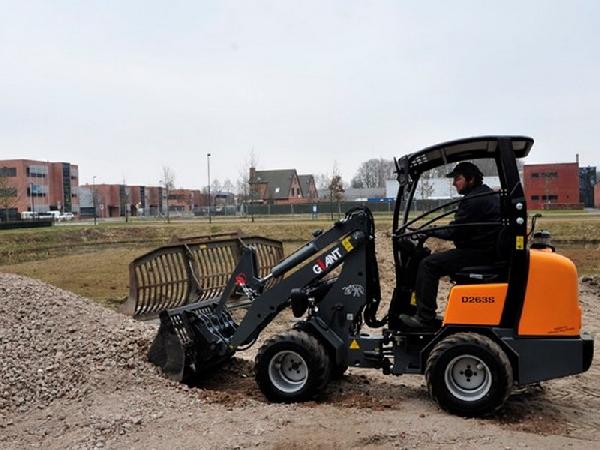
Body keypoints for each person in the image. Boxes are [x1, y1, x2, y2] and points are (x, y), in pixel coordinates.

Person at [399, 161, 502, 329]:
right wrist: (432, 230)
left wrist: (428, 231)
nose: (454, 183)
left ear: (471, 179)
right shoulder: (485, 195)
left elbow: (454, 232)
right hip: (485, 251)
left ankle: (425, 318)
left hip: (477, 254)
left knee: (428, 264)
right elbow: (461, 227)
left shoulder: (474, 201)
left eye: (458, 178)